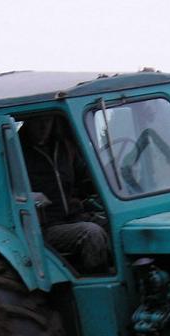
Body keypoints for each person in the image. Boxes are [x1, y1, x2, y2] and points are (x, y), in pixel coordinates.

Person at [19, 115, 111, 273]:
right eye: (37, 121)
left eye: (46, 120)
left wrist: (110, 179)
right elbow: (2, 191)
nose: (43, 127)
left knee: (116, 225)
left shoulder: (65, 148)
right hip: (46, 225)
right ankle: (98, 285)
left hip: (75, 215)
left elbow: (86, 178)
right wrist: (27, 196)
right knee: (91, 233)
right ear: (27, 122)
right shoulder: (16, 153)